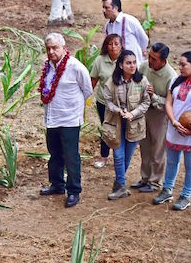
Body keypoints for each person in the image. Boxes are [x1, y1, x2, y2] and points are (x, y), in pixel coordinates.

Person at [153, 51, 191, 211]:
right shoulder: (175, 81)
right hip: (174, 129)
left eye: (183, 64)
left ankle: (186, 196)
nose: (180, 67)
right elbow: (168, 103)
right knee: (171, 162)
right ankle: (167, 190)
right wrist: (173, 121)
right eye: (179, 64)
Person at [38, 33, 93, 208]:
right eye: (48, 49)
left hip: (69, 119)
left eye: (55, 48)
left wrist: (73, 108)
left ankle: (74, 190)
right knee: (54, 154)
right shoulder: (48, 67)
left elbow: (87, 90)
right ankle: (57, 184)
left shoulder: (76, 67)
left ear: (63, 47)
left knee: (71, 156)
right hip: (52, 119)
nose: (51, 51)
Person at [102, 50, 150, 200]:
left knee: (127, 156)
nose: (132, 65)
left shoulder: (142, 81)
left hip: (134, 125)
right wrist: (118, 111)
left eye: (134, 62)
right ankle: (121, 185)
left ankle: (119, 185)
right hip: (116, 124)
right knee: (118, 155)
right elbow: (107, 101)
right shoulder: (112, 81)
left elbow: (146, 102)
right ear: (121, 65)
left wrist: (133, 113)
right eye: (128, 63)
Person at [133, 43, 177, 193]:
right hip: (144, 111)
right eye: (149, 56)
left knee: (158, 149)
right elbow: (136, 83)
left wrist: (154, 96)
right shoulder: (144, 66)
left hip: (160, 115)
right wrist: (141, 90)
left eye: (154, 59)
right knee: (144, 147)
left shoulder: (171, 76)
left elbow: (171, 103)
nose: (149, 60)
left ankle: (155, 182)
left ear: (163, 61)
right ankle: (145, 178)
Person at [90, 34, 123, 168]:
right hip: (103, 101)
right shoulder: (100, 60)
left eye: (116, 43)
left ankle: (119, 157)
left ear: (121, 45)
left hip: (121, 102)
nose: (113, 47)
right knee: (106, 128)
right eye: (110, 44)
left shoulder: (126, 59)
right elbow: (93, 80)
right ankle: (104, 156)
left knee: (121, 129)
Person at [102, 0, 149, 64]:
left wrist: (143, 50)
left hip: (133, 64)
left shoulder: (130, 21)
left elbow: (143, 39)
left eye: (107, 8)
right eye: (103, 7)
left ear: (116, 8)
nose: (103, 11)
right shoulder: (107, 26)